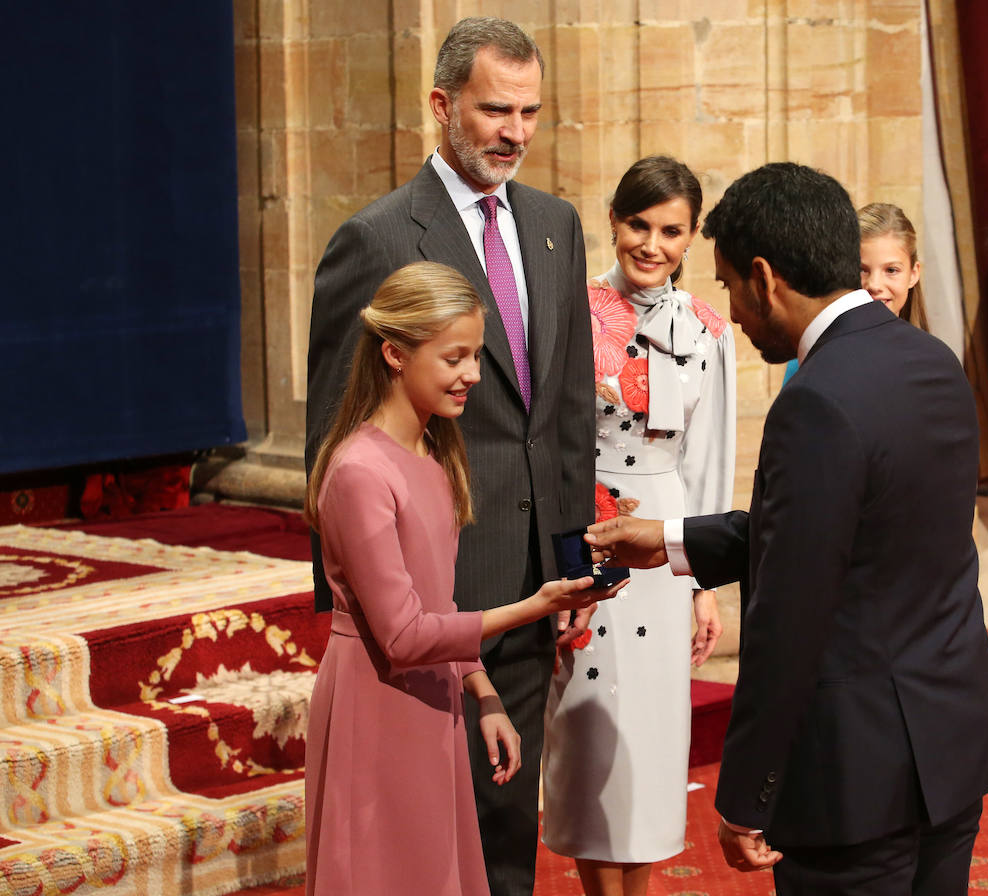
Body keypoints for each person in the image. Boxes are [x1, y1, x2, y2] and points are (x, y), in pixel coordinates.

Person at [585, 163, 988, 896]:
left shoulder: (814, 400)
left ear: (764, 276)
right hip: (949, 749)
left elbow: (790, 611)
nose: (737, 316)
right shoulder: (933, 363)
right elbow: (860, 533)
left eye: (728, 288)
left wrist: (748, 792)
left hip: (852, 780)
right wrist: (673, 539)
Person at [304, 18, 595, 896]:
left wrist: (574, 568)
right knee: (414, 833)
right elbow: (336, 427)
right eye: (495, 109)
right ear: (441, 106)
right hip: (431, 592)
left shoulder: (555, 224)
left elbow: (568, 409)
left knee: (505, 831)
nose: (516, 131)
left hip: (531, 584)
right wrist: (350, 600)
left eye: (531, 112)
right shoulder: (379, 237)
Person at [303, 262, 623, 896]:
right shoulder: (361, 472)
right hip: (378, 703)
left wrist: (484, 696)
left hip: (434, 697)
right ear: (394, 353)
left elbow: (438, 601)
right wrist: (537, 604)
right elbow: (402, 636)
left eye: (476, 355)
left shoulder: (436, 450)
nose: (473, 374)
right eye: (455, 357)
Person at [541, 156, 736, 896]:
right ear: (614, 220)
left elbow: (710, 463)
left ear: (690, 237)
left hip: (669, 543)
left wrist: (705, 583)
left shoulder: (709, 331)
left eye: (671, 230)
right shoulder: (570, 311)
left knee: (652, 742)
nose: (652, 244)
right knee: (590, 731)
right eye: (638, 225)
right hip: (587, 535)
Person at [781, 200, 927, 382]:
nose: (874, 284)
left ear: (913, 274)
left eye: (891, 270)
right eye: (861, 270)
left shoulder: (930, 361)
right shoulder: (809, 360)